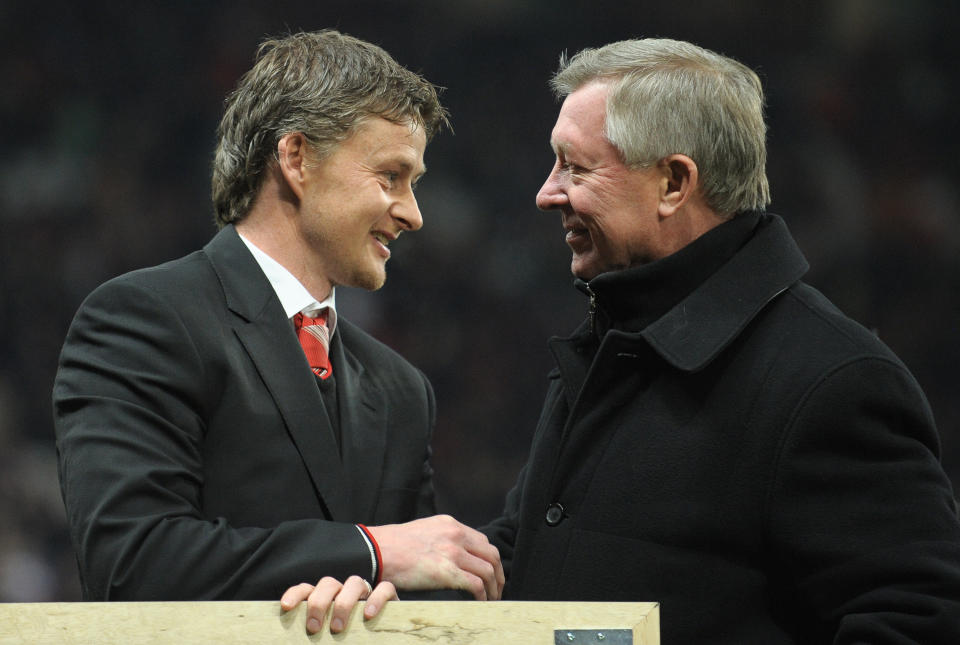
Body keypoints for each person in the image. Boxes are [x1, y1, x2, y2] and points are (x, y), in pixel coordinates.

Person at [477, 38, 960, 643]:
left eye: (575, 166)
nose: (549, 193)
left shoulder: (832, 381)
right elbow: (525, 556)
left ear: (674, 183)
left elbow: (916, 617)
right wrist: (387, 578)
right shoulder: (607, 346)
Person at [52, 29, 502, 635]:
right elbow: (132, 565)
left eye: (414, 183)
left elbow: (412, 591)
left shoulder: (401, 389)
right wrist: (367, 551)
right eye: (391, 176)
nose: (413, 213)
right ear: (297, 159)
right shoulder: (144, 318)